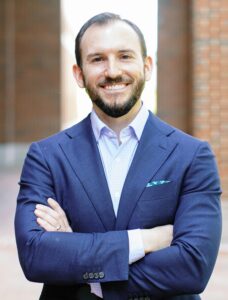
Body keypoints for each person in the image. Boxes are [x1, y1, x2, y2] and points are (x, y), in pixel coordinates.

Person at [15, 12, 222, 300]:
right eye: (97, 59)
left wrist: (81, 261)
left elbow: (192, 267)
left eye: (125, 56)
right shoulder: (47, 156)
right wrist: (144, 240)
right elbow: (36, 256)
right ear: (79, 74)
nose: (112, 71)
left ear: (147, 66)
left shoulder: (191, 155)